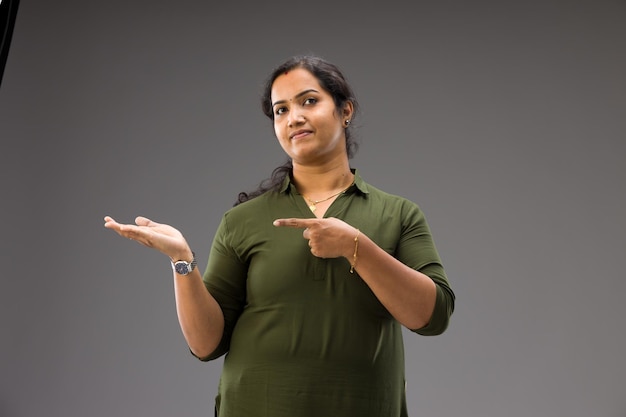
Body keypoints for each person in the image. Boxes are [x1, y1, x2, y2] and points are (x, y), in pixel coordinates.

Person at [104, 55, 455, 417]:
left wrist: (357, 247)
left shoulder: (397, 214)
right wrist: (182, 260)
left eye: (309, 101)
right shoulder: (243, 221)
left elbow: (433, 316)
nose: (294, 118)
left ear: (345, 110)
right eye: (280, 110)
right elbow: (206, 344)